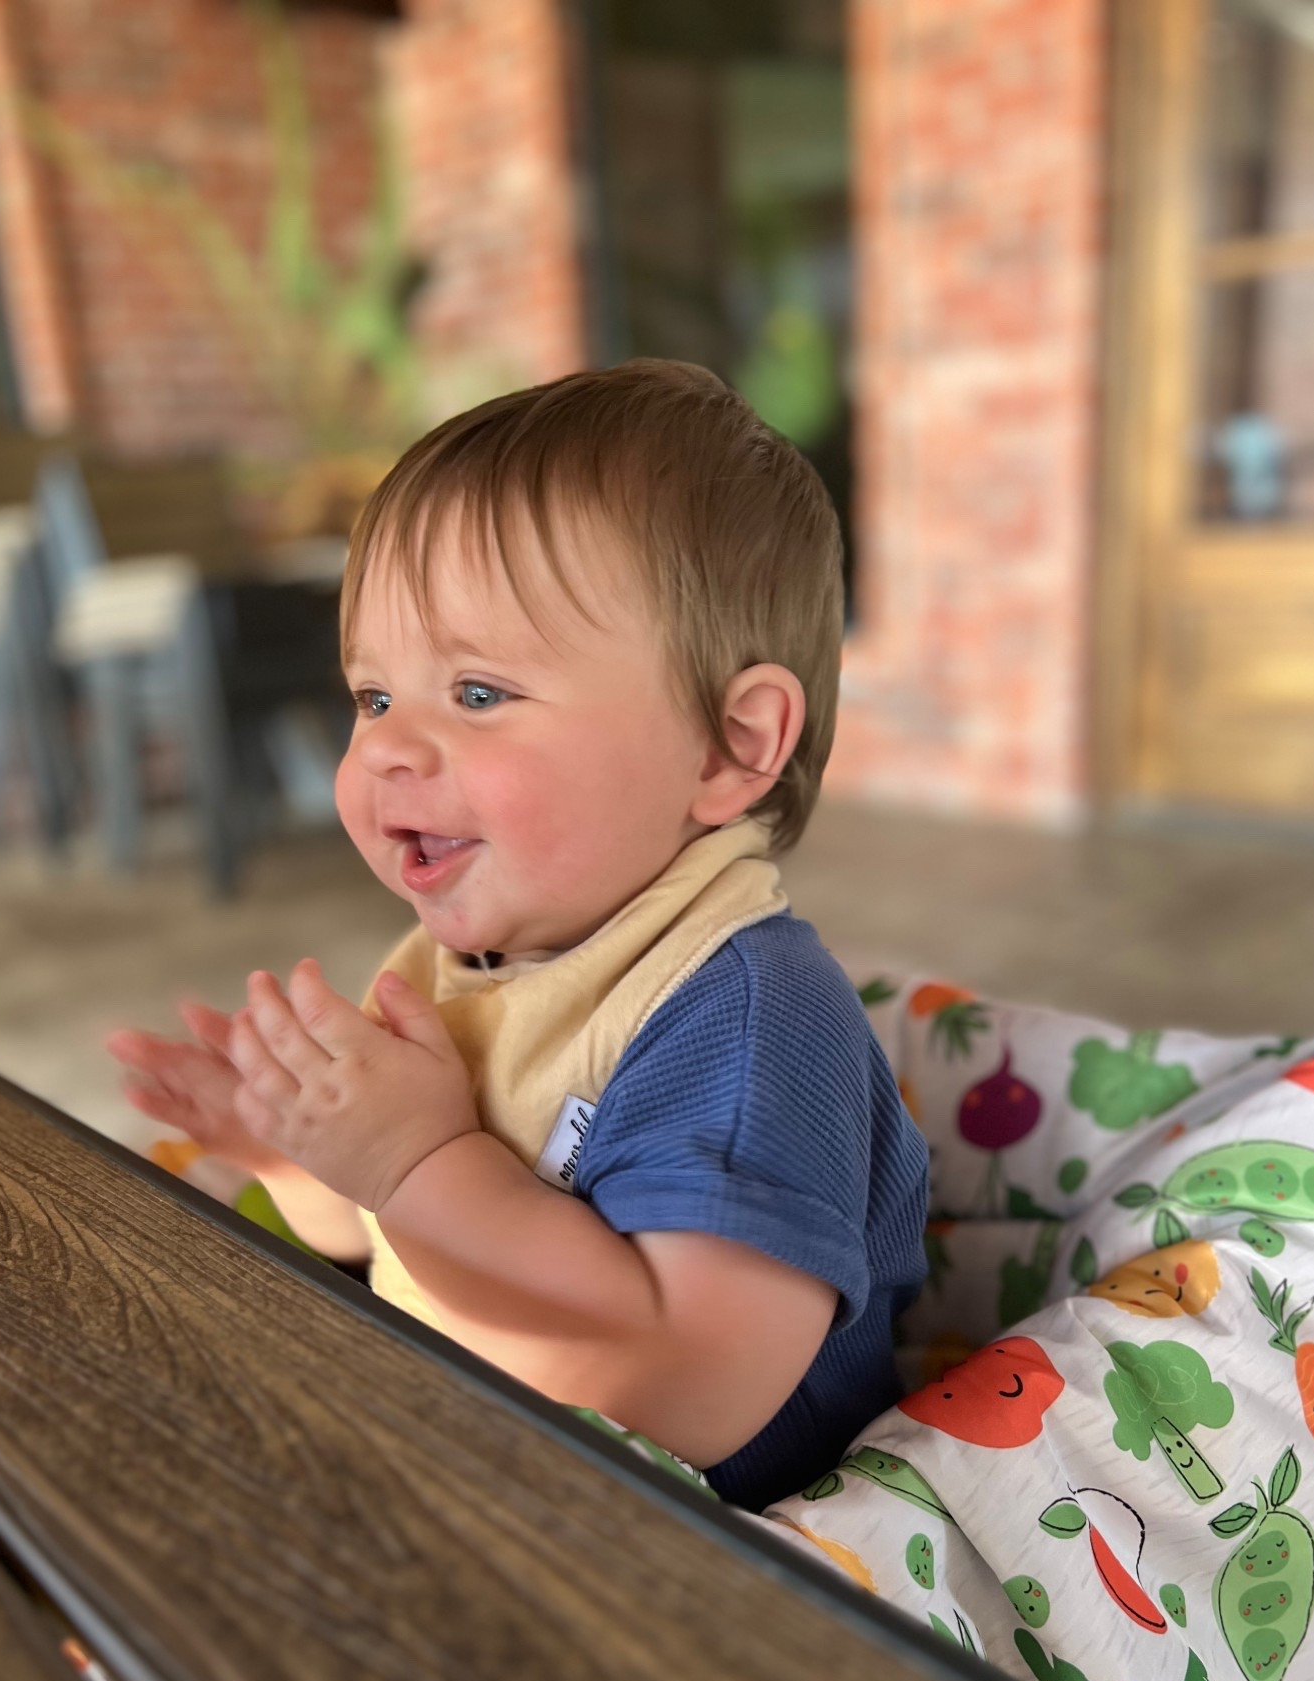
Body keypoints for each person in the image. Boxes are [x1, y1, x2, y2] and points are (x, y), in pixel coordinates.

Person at [108, 359, 928, 1510]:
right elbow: (393, 1236)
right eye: (375, 697)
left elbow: (692, 1381)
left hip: (714, 1558)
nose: (388, 748)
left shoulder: (737, 1017)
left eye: (479, 692)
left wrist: (417, 1158)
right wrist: (302, 1157)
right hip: (485, 1463)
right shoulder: (471, 960)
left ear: (728, 746)